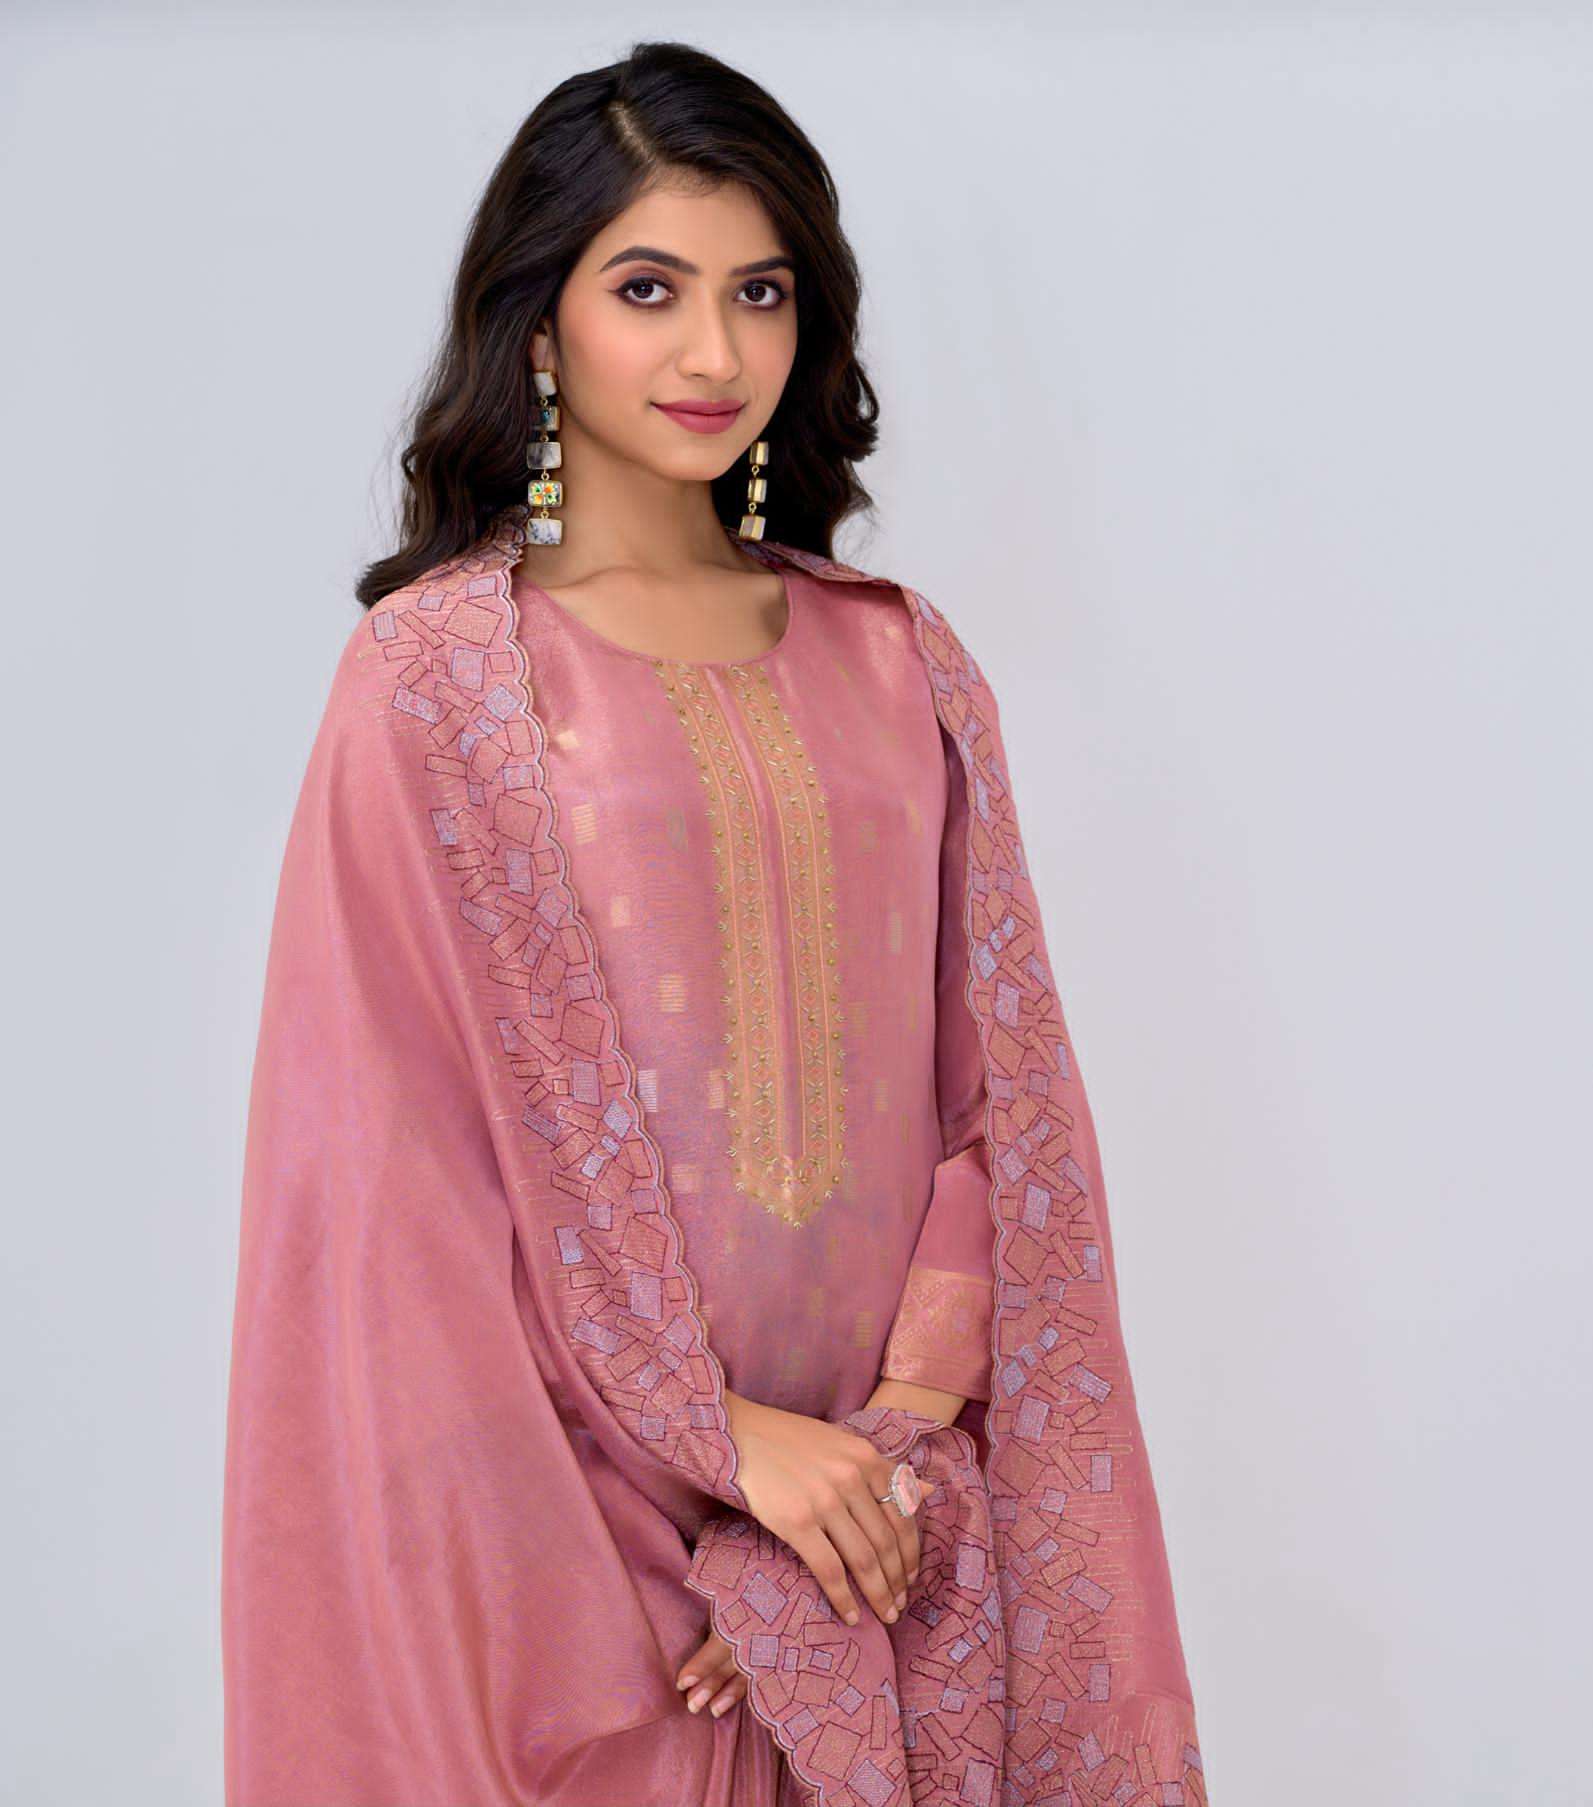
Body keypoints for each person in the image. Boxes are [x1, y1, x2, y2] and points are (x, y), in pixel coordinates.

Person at [221, 41, 1206, 1807]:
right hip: (577, 1546)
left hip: (894, 1541)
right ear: (538, 325)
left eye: (760, 293)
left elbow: (1003, 1112)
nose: (713, 354)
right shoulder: (435, 685)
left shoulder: (899, 660)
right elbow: (392, 1186)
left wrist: (882, 1457)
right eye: (647, 289)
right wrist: (721, 1449)